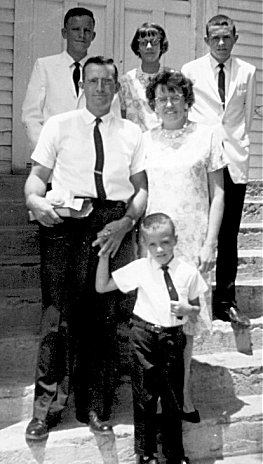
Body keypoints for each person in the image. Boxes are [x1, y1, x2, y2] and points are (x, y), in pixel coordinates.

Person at [24, 56, 148, 441]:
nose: (99, 88)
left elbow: (141, 190)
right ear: (82, 86)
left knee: (102, 318)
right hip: (65, 221)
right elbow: (35, 180)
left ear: (115, 89)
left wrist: (125, 223)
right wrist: (36, 203)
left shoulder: (132, 133)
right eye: (92, 81)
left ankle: (96, 406)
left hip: (109, 224)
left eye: (106, 82)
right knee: (57, 317)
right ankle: (46, 409)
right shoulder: (59, 126)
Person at [96, 213, 203, 464]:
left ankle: (176, 455)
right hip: (144, 337)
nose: (159, 250)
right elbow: (102, 286)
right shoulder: (140, 268)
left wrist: (188, 309)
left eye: (165, 243)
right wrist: (104, 256)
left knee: (173, 398)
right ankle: (146, 456)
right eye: (152, 245)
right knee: (145, 398)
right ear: (145, 245)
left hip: (172, 338)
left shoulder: (187, 271)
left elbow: (196, 308)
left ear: (175, 241)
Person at [144, 69, 225, 420]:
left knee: (186, 323)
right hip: (154, 243)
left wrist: (210, 243)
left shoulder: (207, 136)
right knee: (159, 320)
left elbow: (219, 193)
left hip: (192, 242)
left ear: (187, 99)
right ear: (153, 104)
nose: (169, 103)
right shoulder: (145, 140)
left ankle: (184, 391)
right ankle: (162, 394)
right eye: (162, 98)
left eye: (176, 96)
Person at [181, 14, 256, 326]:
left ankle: (225, 302)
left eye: (227, 37)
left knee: (228, 235)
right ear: (207, 40)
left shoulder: (247, 72)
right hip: (202, 160)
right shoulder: (191, 71)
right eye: (215, 38)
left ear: (235, 38)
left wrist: (235, 145)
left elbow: (245, 116)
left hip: (233, 160)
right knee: (199, 229)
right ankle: (193, 298)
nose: (222, 43)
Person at [22, 7, 96, 151]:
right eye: (75, 29)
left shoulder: (100, 70)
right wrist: (45, 152)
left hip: (89, 157)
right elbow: (30, 116)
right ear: (64, 33)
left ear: (93, 35)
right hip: (53, 155)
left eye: (87, 30)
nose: (81, 35)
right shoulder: (45, 66)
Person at [118, 22, 169, 131]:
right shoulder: (126, 81)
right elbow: (121, 118)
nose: (149, 47)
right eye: (143, 42)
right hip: (136, 143)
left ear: (162, 46)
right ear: (137, 47)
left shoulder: (172, 78)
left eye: (154, 42)